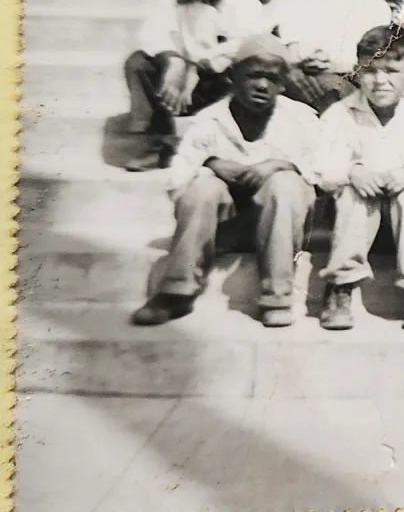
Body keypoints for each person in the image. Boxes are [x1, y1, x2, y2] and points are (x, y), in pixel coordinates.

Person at [131, 34, 318, 329]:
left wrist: (279, 165)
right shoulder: (208, 121)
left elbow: (323, 172)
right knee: (203, 185)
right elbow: (177, 181)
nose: (261, 85)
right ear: (233, 76)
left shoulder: (302, 120)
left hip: (281, 230)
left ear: (283, 84)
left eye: (272, 78)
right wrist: (212, 165)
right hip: (222, 231)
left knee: (285, 184)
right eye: (253, 75)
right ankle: (176, 290)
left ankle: (277, 295)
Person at [313, 26, 404, 332]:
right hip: (355, 217)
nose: (380, 80)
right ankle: (341, 286)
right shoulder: (341, 114)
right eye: (370, 71)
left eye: (391, 71)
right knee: (353, 193)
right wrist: (351, 172)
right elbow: (319, 167)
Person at [124, 0, 268, 172]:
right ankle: (163, 144)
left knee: (244, 71)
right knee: (138, 63)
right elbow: (151, 34)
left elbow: (244, 44)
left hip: (219, 85)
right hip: (179, 86)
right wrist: (173, 59)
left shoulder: (243, 4)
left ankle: (218, 148)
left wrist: (197, 65)